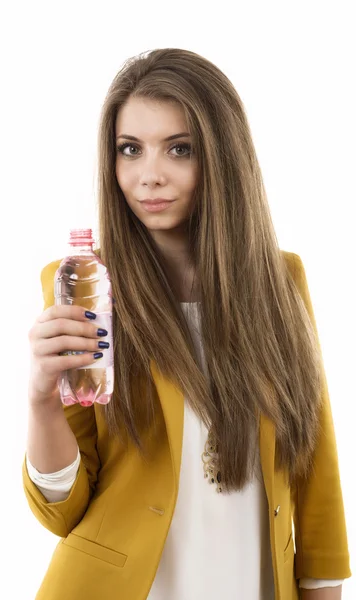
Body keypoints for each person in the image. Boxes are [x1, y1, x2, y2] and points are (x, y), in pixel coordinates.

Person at [22, 48, 351, 599]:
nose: (149, 176)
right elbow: (63, 511)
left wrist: (324, 587)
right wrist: (40, 399)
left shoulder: (281, 282)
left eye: (180, 149)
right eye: (131, 150)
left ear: (222, 158)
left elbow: (314, 466)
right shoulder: (83, 285)